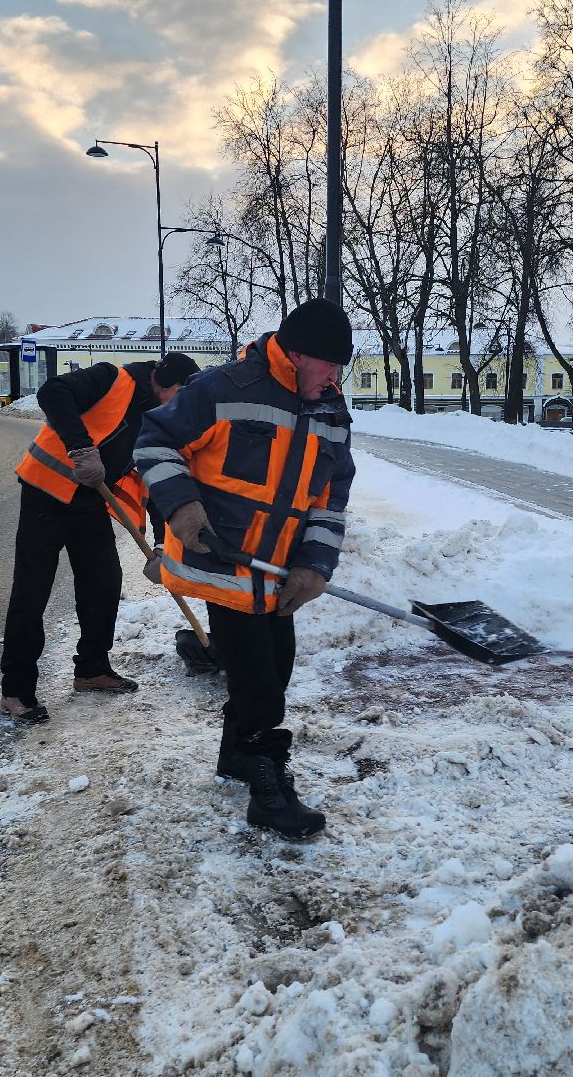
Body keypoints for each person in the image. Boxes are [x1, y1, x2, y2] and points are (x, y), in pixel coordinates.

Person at [134, 298, 356, 838]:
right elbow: (155, 442)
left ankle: (236, 755)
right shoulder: (224, 387)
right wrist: (183, 508)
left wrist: (314, 565)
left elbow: (331, 497)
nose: (335, 378)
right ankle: (267, 792)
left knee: (277, 663)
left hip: (276, 571)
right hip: (224, 564)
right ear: (297, 353)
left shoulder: (329, 407)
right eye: (329, 365)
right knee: (261, 685)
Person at [0, 350, 201, 722]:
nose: (181, 406)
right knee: (32, 590)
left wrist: (161, 544)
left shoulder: (160, 418)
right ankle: (16, 690)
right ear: (164, 382)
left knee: (104, 583)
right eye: (180, 395)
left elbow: (155, 481)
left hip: (89, 499)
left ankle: (92, 669)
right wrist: (81, 447)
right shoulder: (112, 378)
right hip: (46, 492)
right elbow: (53, 392)